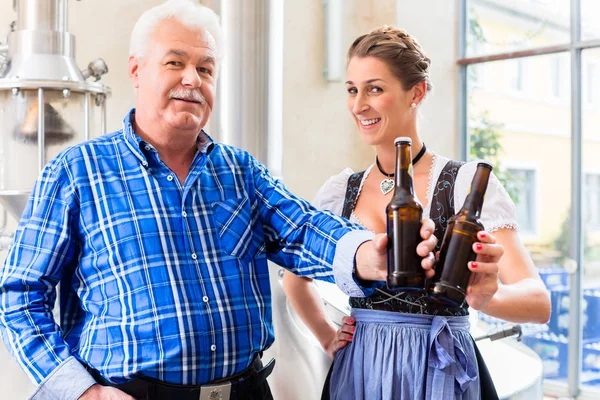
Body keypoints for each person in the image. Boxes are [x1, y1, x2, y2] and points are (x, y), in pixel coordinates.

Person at [0, 5, 440, 400]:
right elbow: (19, 296)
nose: (192, 79)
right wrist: (82, 392)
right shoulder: (77, 171)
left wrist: (368, 253)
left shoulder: (240, 171)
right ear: (136, 70)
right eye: (175, 62)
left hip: (247, 391)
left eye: (206, 69)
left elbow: (304, 228)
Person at [282, 25, 552, 400]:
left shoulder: (466, 184)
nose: (359, 105)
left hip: (438, 369)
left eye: (374, 89)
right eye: (352, 90)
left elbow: (539, 303)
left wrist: (488, 298)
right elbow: (294, 279)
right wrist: (328, 337)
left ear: (416, 93)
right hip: (361, 370)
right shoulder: (340, 190)